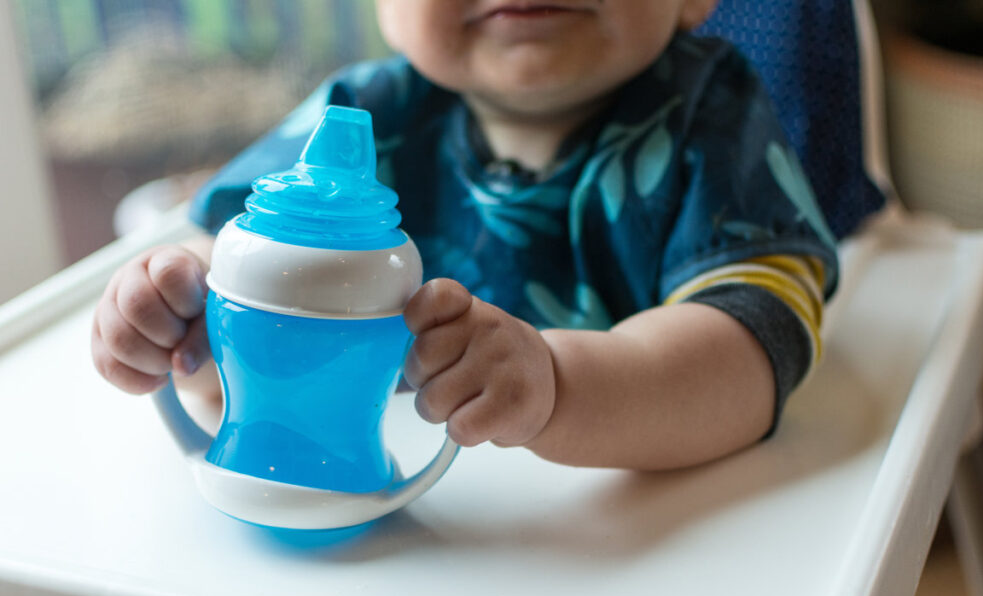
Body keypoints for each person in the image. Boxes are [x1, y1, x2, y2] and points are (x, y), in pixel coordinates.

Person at [92, 0, 839, 470]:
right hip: (365, 507)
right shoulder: (357, 118)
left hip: (610, 557)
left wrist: (559, 387)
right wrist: (177, 301)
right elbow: (233, 251)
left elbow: (757, 349)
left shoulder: (713, 112)